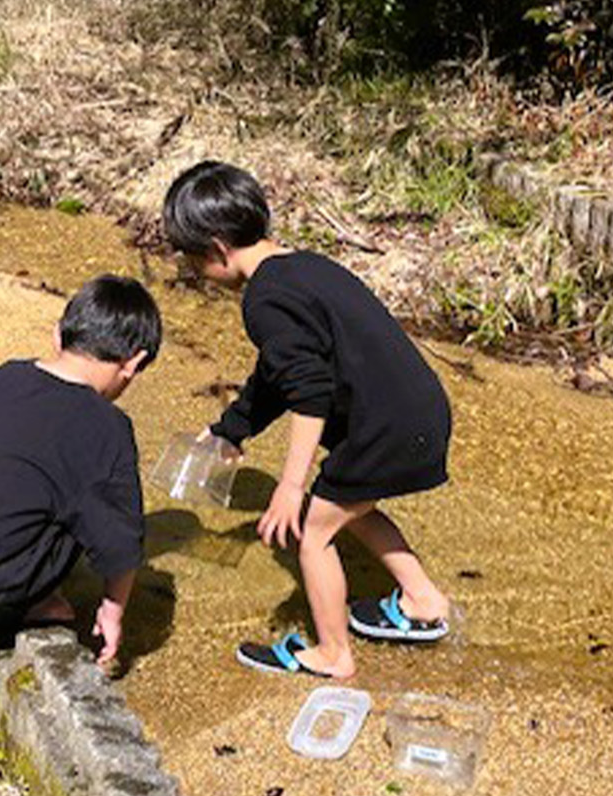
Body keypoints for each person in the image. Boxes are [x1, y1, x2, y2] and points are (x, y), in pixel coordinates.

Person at [163, 160, 454, 679]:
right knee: (349, 507)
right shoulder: (301, 268)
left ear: (217, 249)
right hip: (416, 412)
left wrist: (291, 486)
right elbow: (282, 373)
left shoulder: (265, 301)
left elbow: (310, 393)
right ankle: (424, 601)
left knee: (315, 531)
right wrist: (232, 427)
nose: (194, 272)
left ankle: (332, 654)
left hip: (385, 427)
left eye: (192, 260)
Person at [0, 274, 162, 664]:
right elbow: (121, 545)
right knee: (92, 506)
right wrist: (112, 610)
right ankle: (31, 604)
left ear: (57, 336)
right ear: (134, 363)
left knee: (36, 482)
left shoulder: (9, 373)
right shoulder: (107, 426)